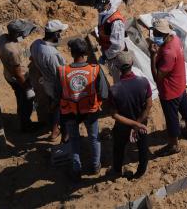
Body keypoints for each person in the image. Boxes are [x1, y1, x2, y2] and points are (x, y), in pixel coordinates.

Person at [56, 37, 109, 181]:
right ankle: (95, 166)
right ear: (85, 53)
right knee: (93, 139)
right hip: (90, 111)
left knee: (74, 140)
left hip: (70, 112)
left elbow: (57, 94)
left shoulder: (62, 71)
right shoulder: (95, 69)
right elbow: (104, 93)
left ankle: (76, 169)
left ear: (71, 53)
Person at [149, 19, 187, 156]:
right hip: (179, 83)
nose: (154, 35)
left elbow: (157, 77)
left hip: (170, 91)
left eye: (156, 33)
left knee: (171, 119)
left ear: (163, 34)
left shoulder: (168, 53)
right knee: (185, 108)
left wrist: (153, 56)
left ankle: (174, 145)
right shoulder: (175, 40)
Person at [106, 50, 151, 180]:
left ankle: (116, 171)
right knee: (142, 147)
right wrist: (138, 124)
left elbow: (114, 114)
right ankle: (140, 172)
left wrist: (132, 124)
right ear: (131, 63)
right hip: (142, 121)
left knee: (119, 147)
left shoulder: (114, 90)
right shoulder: (143, 82)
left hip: (123, 125)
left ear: (117, 67)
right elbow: (148, 105)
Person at [0, 19, 38, 132]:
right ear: (17, 34)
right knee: (26, 102)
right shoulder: (13, 51)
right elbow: (18, 73)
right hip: (19, 80)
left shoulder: (1, 37)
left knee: (20, 98)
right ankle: (26, 125)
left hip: (8, 74)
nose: (25, 34)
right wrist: (28, 88)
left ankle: (22, 116)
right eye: (22, 32)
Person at [29, 20, 68, 140]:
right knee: (60, 107)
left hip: (44, 80)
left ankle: (53, 128)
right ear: (56, 34)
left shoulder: (35, 44)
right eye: (60, 33)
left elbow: (32, 58)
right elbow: (60, 75)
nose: (61, 36)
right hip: (54, 85)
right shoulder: (52, 55)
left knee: (52, 104)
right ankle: (58, 132)